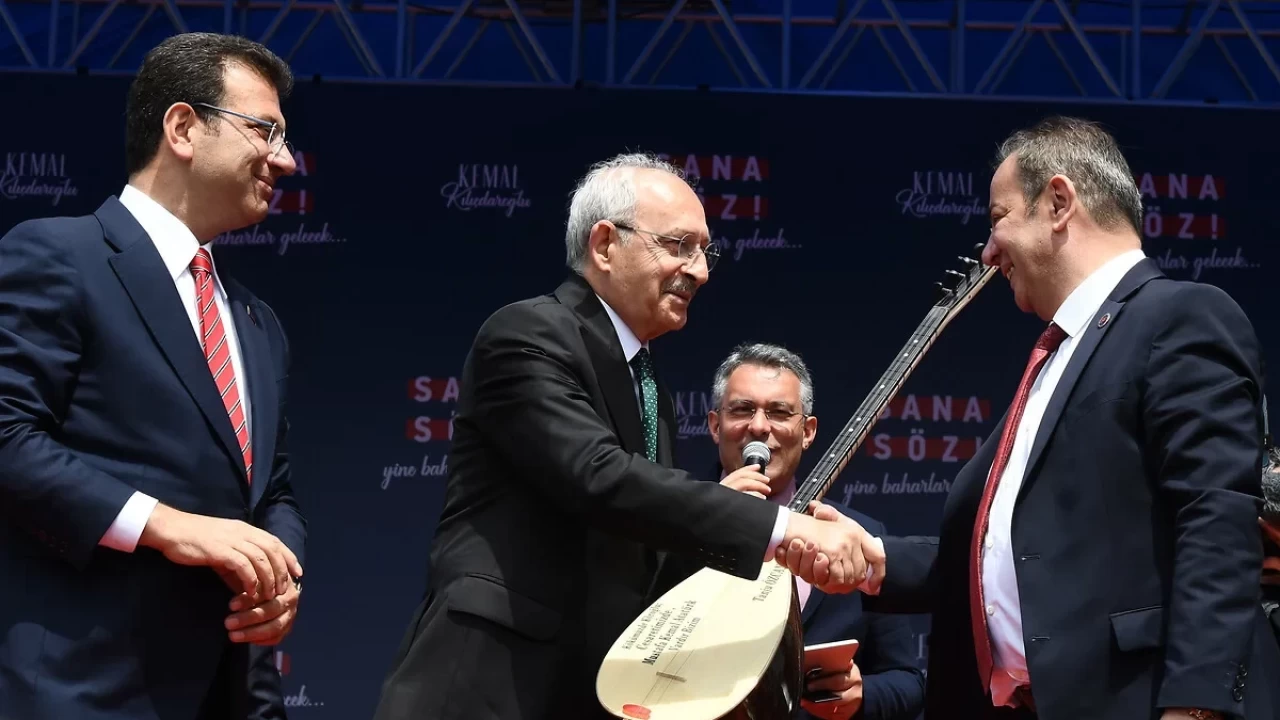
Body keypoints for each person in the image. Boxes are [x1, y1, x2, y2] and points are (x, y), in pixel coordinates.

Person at [789, 116, 1280, 720]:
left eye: (998, 218)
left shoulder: (1180, 316)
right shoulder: (1056, 358)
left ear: (1058, 202)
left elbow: (1217, 522)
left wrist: (1195, 708)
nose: (989, 251)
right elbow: (1011, 552)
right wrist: (875, 559)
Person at [372, 153, 876, 720]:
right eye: (679, 245)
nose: (700, 271)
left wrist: (725, 528)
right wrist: (781, 527)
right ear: (606, 244)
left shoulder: (646, 381)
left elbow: (640, 561)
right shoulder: (529, 333)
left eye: (705, 252)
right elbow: (598, 477)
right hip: (488, 688)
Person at [0, 32, 306, 720]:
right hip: (81, 689)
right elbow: (8, 435)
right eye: (265, 130)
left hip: (234, 692)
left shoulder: (258, 323)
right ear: (183, 127)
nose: (285, 160)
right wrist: (167, 525)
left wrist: (279, 570)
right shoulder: (59, 256)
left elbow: (273, 490)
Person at [706, 342, 925, 720]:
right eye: (742, 409)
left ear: (807, 432)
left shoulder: (855, 537)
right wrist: (707, 521)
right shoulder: (670, 526)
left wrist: (861, 695)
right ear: (715, 425)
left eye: (779, 412)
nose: (759, 427)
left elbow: (908, 682)